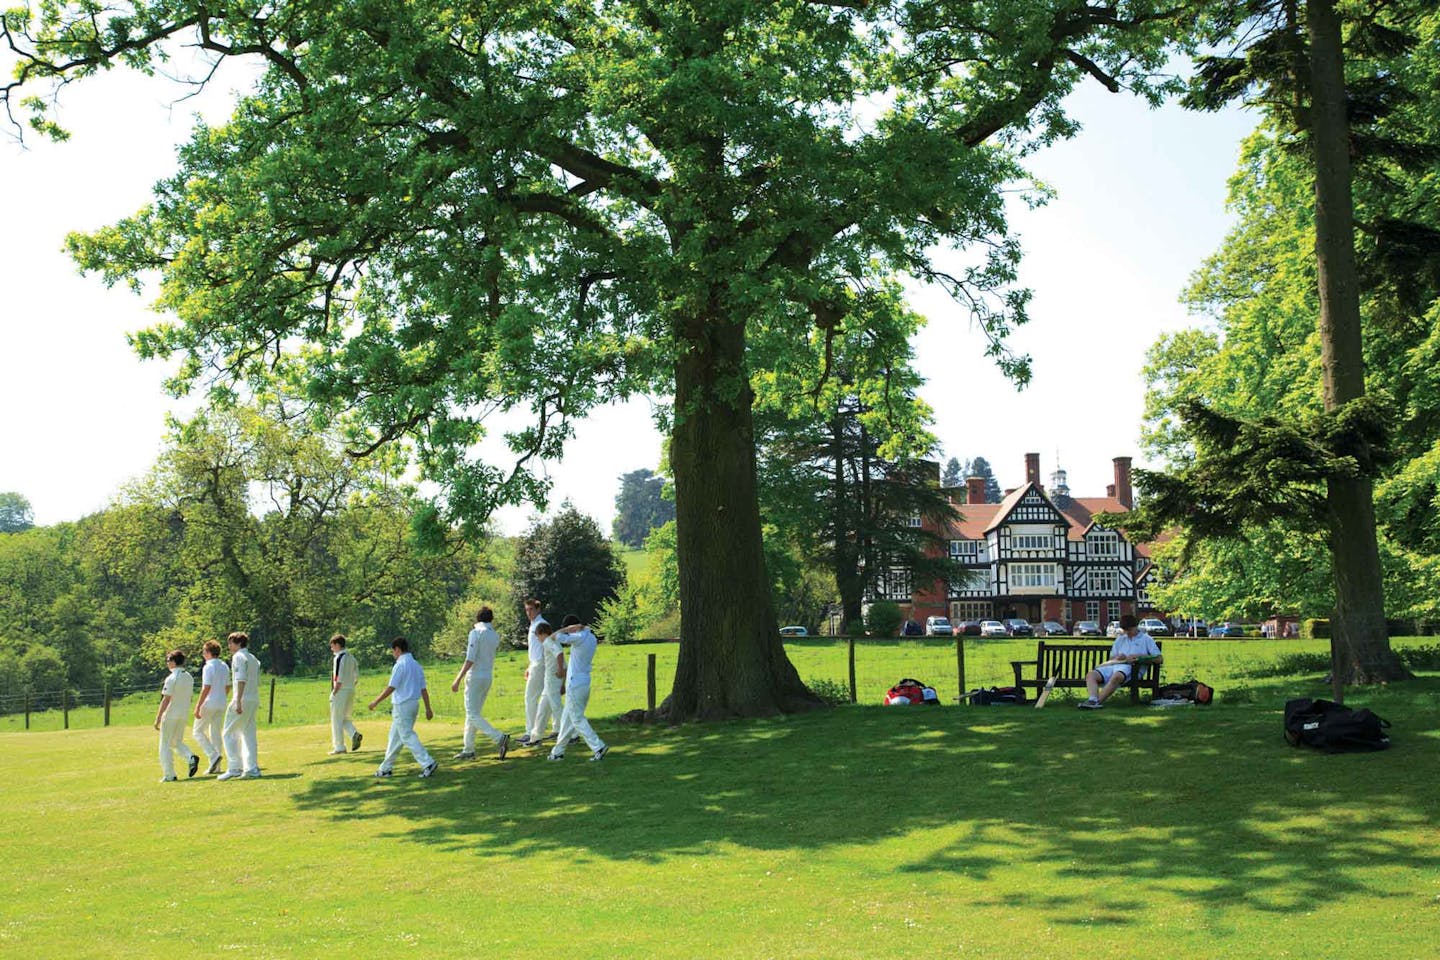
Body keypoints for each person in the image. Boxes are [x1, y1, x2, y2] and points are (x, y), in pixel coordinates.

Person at [369, 637, 437, 778]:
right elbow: (423, 689)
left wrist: (376, 701)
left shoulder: (400, 665)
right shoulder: (416, 665)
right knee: (395, 737)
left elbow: (391, 687)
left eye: (393, 651)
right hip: (413, 704)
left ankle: (427, 762)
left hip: (402, 705)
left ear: (397, 649)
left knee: (406, 735)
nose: (393, 654)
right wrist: (428, 708)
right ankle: (385, 768)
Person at [451, 607, 510, 760]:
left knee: (472, 714)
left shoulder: (476, 633)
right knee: (473, 714)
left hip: (475, 677)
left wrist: (457, 679)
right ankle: (468, 749)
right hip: (487, 676)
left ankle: (499, 737)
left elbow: (470, 659)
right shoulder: (494, 635)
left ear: (478, 618)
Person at [547, 616, 608, 762]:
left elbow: (554, 637)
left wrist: (568, 629)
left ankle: (598, 746)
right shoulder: (591, 637)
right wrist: (577, 628)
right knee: (567, 719)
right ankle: (557, 752)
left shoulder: (579, 637)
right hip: (583, 682)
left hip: (575, 684)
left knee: (577, 719)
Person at [1078, 613, 1163, 709]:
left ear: (1135, 626)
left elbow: (1159, 658)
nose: (1127, 633)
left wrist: (1139, 657)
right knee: (1091, 675)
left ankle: (1097, 703)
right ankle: (1092, 700)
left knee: (1117, 676)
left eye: (1129, 630)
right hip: (1115, 666)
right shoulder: (1120, 639)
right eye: (1125, 630)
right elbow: (1111, 659)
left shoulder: (1146, 639)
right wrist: (1118, 658)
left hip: (1133, 669)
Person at [217, 631, 262, 781]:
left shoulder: (238, 657)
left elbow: (241, 679)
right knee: (248, 734)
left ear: (237, 643)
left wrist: (238, 700)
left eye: (230, 643)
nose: (229, 646)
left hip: (243, 698)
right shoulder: (253, 658)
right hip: (254, 698)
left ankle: (234, 767)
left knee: (228, 733)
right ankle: (251, 768)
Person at [155, 649, 200, 782]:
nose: (167, 663)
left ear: (174, 662)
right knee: (176, 742)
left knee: (165, 745)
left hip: (170, 714)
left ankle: (169, 775)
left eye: (168, 660)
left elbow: (166, 699)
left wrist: (158, 718)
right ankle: (190, 757)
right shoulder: (189, 677)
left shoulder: (171, 678)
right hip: (183, 714)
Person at [191, 639, 229, 775]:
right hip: (222, 702)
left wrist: (198, 706)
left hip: (210, 702)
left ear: (208, 652)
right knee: (215, 733)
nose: (202, 654)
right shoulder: (224, 665)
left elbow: (206, 688)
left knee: (197, 731)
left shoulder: (208, 666)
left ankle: (213, 756)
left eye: (203, 651)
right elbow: (227, 686)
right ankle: (216, 766)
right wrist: (221, 697)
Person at [518, 598, 551, 746]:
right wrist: (529, 666)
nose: (529, 613)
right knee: (548, 698)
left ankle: (531, 731)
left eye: (531, 609)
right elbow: (534, 649)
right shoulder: (533, 625)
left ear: (538, 609)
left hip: (540, 664)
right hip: (535, 664)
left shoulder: (541, 624)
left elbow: (547, 647)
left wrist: (536, 665)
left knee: (531, 698)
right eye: (526, 610)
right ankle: (540, 730)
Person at [526, 621, 564, 748]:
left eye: (538, 635)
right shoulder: (553, 641)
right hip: (551, 681)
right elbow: (564, 662)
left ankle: (572, 734)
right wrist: (563, 680)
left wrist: (559, 670)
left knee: (557, 708)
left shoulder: (548, 641)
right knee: (542, 709)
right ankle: (535, 737)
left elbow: (559, 654)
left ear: (542, 633)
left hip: (552, 679)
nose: (538, 638)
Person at [328, 634, 362, 755]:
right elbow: (356, 676)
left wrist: (334, 692)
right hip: (351, 690)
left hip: (341, 691)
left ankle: (339, 747)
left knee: (336, 719)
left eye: (332, 646)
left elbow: (338, 678)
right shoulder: (351, 657)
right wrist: (350, 686)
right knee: (344, 718)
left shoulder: (338, 658)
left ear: (337, 645)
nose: (332, 649)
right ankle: (354, 733)